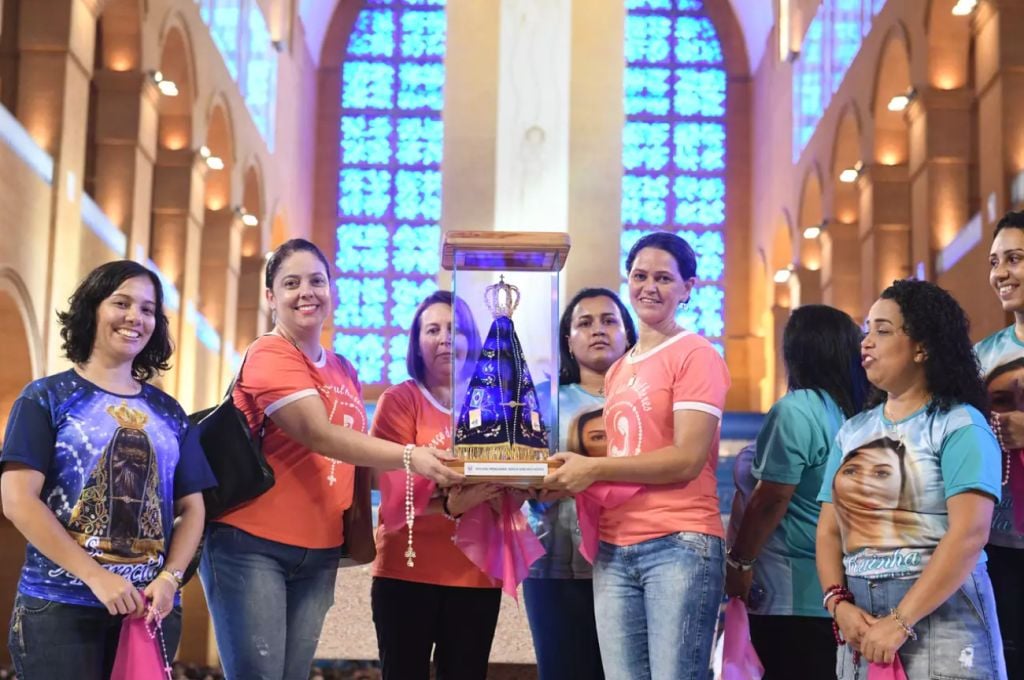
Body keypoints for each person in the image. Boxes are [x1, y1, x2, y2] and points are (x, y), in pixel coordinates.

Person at [198, 239, 461, 680]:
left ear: (331, 290)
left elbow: (357, 461)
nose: (307, 292)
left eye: (317, 281)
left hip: (318, 550)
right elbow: (320, 435)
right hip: (250, 543)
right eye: (291, 283)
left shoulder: (343, 368)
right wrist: (412, 455)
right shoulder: (269, 352)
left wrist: (454, 481)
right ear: (271, 297)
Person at [0, 260, 215, 679]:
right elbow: (17, 501)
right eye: (122, 303)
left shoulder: (169, 413)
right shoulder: (46, 397)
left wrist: (171, 578)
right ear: (92, 308)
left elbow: (194, 509)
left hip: (149, 608)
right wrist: (96, 577)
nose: (136, 317)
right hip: (60, 606)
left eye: (148, 309)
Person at [544, 233, 731, 680]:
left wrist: (593, 468)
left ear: (688, 287)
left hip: (679, 542)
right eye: (640, 276)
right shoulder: (621, 369)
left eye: (664, 278)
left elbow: (686, 458)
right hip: (614, 546)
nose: (649, 286)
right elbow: (629, 454)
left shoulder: (696, 355)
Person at [817, 279, 1006, 679]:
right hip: (862, 620)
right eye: (866, 329)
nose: (866, 342)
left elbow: (970, 533)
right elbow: (829, 532)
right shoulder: (852, 432)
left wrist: (901, 621)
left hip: (944, 615)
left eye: (882, 330)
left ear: (922, 347)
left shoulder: (959, 424)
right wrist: (838, 603)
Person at [725, 304, 867, 679]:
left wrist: (739, 563)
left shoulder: (796, 410)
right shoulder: (851, 412)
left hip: (789, 592)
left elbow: (771, 498)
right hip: (836, 591)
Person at [370, 291, 503, 680]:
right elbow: (394, 490)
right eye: (433, 329)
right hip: (406, 572)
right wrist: (451, 505)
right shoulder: (400, 400)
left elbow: (505, 481)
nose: (445, 338)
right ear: (417, 342)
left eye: (455, 329)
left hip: (476, 574)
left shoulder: (493, 404)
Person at [523, 287, 635, 680]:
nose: (597, 330)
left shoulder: (647, 403)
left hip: (635, 563)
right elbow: (519, 476)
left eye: (609, 321)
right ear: (568, 340)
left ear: (627, 334)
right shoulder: (542, 400)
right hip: (555, 561)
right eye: (584, 323)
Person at [976, 209, 1024, 678]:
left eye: (1014, 258)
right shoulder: (985, 355)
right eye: (994, 262)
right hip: (1002, 541)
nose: (1000, 274)